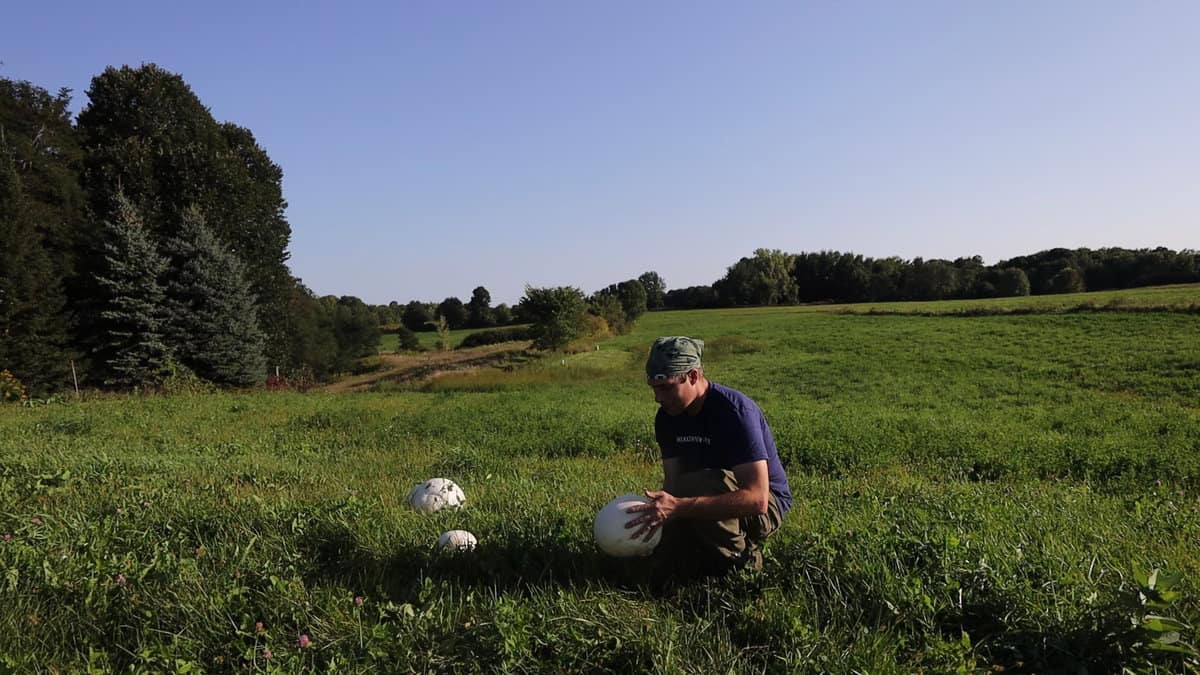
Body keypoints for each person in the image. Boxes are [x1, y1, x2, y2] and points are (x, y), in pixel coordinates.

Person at [626, 336, 792, 578]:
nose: (658, 398)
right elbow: (674, 485)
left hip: (766, 506)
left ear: (693, 376)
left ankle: (740, 567)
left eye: (666, 387)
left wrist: (678, 507)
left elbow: (757, 499)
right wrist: (660, 523)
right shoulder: (666, 418)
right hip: (707, 494)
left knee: (706, 482)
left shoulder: (735, 412)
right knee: (662, 550)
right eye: (654, 388)